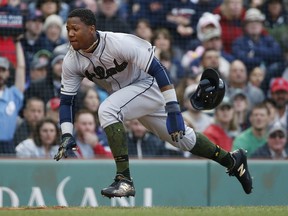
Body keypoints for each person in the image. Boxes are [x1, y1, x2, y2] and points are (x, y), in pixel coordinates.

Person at [52, 8, 253, 198]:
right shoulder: (72, 60)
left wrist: (173, 109)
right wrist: (67, 133)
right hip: (129, 97)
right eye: (68, 29)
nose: (70, 34)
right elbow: (66, 101)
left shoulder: (118, 42)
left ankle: (124, 179)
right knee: (183, 140)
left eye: (75, 29)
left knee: (108, 109)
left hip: (148, 85)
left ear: (91, 29)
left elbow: (158, 70)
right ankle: (233, 160)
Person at [0, 41, 25, 155]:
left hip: (7, 146)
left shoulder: (13, 95)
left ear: (8, 73)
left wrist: (17, 42)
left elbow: (21, 67)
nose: (0, 74)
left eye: (3, 70)